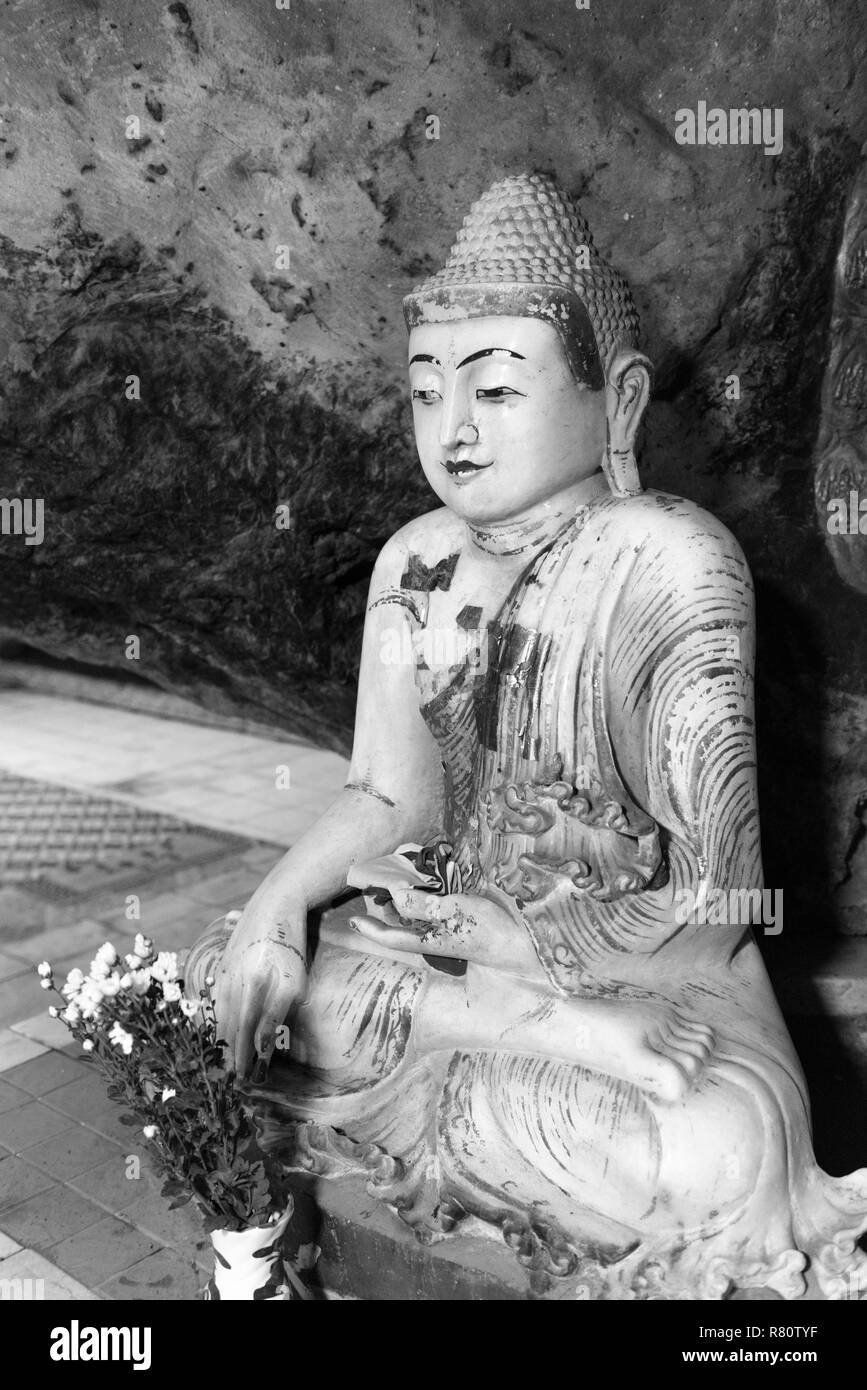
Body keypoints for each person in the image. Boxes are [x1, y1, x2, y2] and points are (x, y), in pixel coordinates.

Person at [188, 174, 867, 1299]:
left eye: (496, 388)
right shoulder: (414, 562)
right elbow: (385, 797)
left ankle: (502, 1065)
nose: (451, 430)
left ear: (620, 403)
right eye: (422, 393)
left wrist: (529, 948)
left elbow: (720, 900)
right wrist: (275, 909)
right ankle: (510, 1038)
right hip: (469, 967)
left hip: (644, 980)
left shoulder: (671, 559)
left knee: (719, 1145)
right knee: (231, 969)